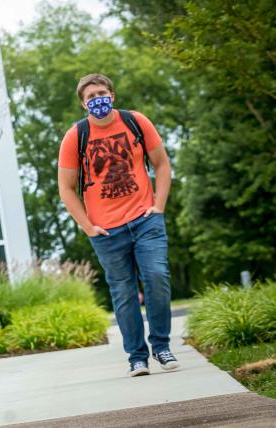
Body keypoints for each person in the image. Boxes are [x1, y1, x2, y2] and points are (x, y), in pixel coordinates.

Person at [57, 74, 180, 377]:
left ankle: (161, 346)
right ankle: (137, 357)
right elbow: (66, 188)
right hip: (107, 231)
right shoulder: (76, 136)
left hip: (145, 220)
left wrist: (159, 207)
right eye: (90, 96)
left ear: (112, 95)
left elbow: (162, 164)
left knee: (157, 276)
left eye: (102, 92)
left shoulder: (135, 121)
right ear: (83, 104)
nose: (97, 99)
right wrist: (87, 226)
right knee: (124, 294)